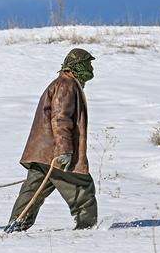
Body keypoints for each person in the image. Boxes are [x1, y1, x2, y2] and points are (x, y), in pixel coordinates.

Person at [5, 48, 98, 232]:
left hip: (42, 153)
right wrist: (64, 150)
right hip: (54, 152)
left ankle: (17, 223)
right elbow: (60, 119)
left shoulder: (64, 83)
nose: (91, 68)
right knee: (81, 186)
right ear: (77, 65)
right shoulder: (66, 85)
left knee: (34, 188)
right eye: (88, 63)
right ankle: (88, 229)